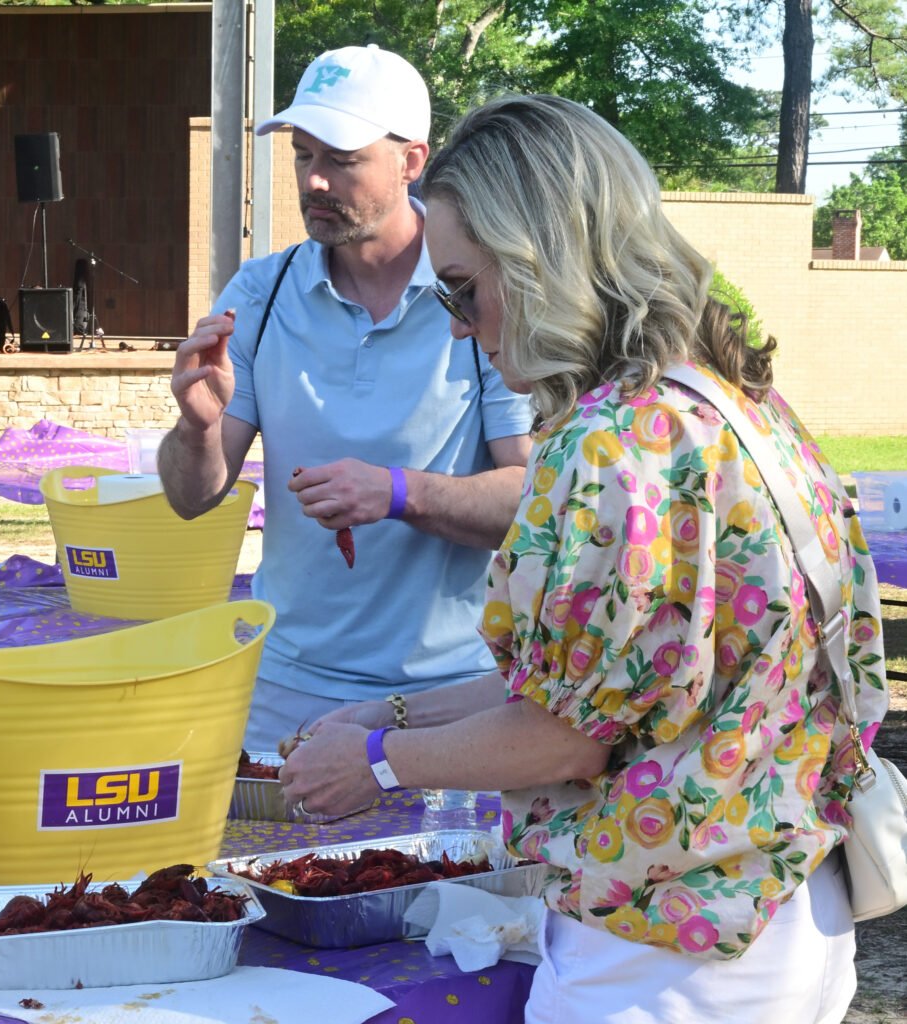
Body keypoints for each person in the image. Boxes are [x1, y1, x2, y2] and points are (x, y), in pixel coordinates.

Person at [279, 94, 890, 1023]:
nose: (458, 325)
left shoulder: (609, 445)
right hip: (781, 905)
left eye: (462, 289)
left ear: (537, 258)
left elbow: (568, 737)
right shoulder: (730, 402)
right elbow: (604, 686)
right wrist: (386, 713)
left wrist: (381, 759)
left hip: (668, 940)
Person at [157, 46, 534, 748]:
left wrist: (398, 492)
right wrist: (198, 429)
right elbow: (190, 499)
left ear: (411, 160)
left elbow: (533, 502)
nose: (315, 180)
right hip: (282, 689)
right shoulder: (259, 294)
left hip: (453, 696)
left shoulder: (478, 290)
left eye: (343, 159)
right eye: (302, 156)